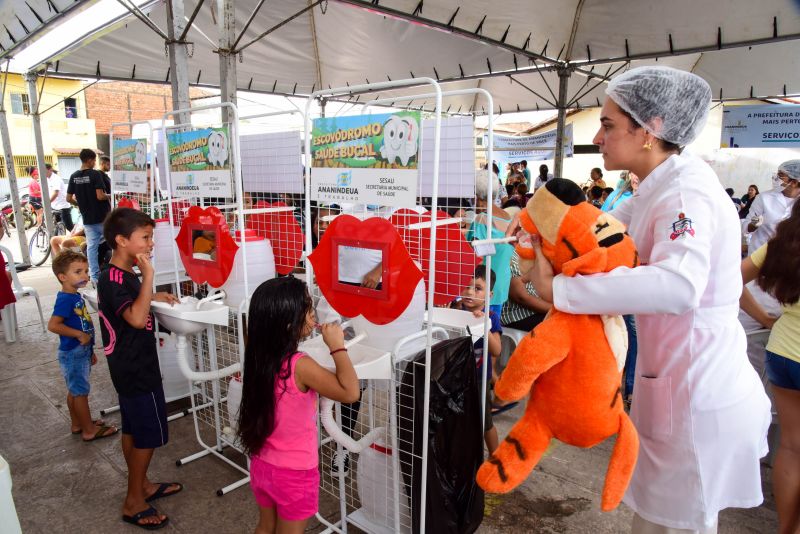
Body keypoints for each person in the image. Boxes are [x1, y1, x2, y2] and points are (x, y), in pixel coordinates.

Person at [523, 66, 770, 533]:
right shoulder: (657, 186)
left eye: (609, 124)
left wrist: (563, 291)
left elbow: (679, 285)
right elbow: (603, 235)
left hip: (697, 393)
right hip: (677, 382)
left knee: (674, 525)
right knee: (659, 522)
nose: (597, 136)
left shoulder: (684, 191)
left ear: (650, 130)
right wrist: (537, 226)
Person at [237, 277, 359, 534]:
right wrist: (337, 347)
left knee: (265, 526)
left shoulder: (258, 355)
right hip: (294, 473)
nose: (314, 314)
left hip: (262, 462)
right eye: (307, 308)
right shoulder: (298, 365)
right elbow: (350, 393)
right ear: (289, 322)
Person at [97, 208, 181, 530]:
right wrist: (149, 278)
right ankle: (133, 500)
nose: (150, 244)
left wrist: (151, 292)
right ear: (121, 241)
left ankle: (142, 485)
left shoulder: (123, 274)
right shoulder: (115, 278)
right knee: (147, 435)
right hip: (135, 368)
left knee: (133, 428)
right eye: (145, 238)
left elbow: (134, 305)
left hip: (130, 366)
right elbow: (134, 317)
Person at [739, 200, 800, 534]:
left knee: (791, 446)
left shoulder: (783, 244)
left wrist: (764, 317)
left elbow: (729, 279)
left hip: (782, 350)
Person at [47, 251, 118, 441]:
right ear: (62, 277)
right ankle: (89, 430)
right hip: (73, 352)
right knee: (80, 393)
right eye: (78, 272)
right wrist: (79, 335)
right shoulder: (65, 299)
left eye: (86, 271)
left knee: (74, 390)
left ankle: (78, 423)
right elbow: (53, 325)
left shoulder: (75, 296)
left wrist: (90, 350)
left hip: (80, 351)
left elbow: (82, 322)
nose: (85, 276)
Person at [448, 265, 501, 453]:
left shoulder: (491, 317)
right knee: (455, 420)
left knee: (485, 423)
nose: (469, 291)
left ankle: (496, 461)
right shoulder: (453, 310)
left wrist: (483, 324)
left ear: (490, 295)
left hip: (478, 378)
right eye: (466, 286)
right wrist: (450, 309)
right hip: (454, 377)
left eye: (477, 288)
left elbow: (497, 350)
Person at [467, 169, 514, 316]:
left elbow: (474, 253)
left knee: (478, 331)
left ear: (477, 196)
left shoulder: (481, 219)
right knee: (493, 328)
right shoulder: (508, 217)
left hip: (481, 290)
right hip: (500, 287)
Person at [68, 149, 111, 283]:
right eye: (94, 160)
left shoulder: (73, 176)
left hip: (88, 218)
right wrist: (111, 196)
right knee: (115, 243)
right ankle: (117, 270)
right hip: (103, 217)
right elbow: (100, 195)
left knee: (92, 247)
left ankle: (94, 276)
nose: (94, 163)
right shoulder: (95, 174)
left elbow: (69, 198)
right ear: (90, 160)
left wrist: (80, 205)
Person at [744, 160, 800, 255]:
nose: (775, 177)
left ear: (794, 182)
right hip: (759, 253)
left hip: (789, 257)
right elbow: (746, 227)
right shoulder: (763, 198)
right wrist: (755, 223)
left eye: (781, 175)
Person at [500, 250, 551, 331]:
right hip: (517, 315)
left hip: (537, 311)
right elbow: (520, 296)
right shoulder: (510, 254)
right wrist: (554, 309)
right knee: (563, 324)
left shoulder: (538, 253)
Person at [46, 164, 74, 231]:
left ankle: (80, 239)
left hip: (63, 206)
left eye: (45, 171)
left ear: (50, 170)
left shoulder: (56, 179)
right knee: (58, 228)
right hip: (54, 206)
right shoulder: (47, 179)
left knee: (69, 227)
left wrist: (47, 203)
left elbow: (56, 193)